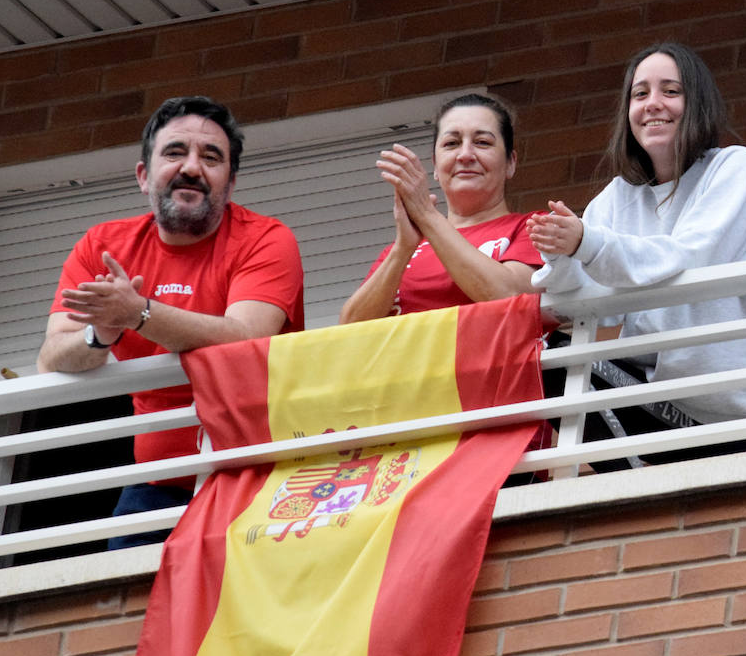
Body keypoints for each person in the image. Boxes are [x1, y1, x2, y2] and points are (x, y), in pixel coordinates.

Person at [528, 42, 746, 468]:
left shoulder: (735, 168)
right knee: (548, 357)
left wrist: (586, 244)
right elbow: (590, 305)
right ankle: (636, 488)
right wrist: (561, 256)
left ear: (696, 102)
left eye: (671, 91)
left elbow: (688, 258)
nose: (653, 105)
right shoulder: (615, 200)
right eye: (640, 94)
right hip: (667, 415)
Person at [38, 96, 304, 547]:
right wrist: (101, 333)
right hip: (156, 484)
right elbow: (52, 358)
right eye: (175, 152)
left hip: (257, 471)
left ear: (231, 182)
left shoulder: (266, 239)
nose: (192, 168)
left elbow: (245, 339)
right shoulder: (102, 245)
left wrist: (137, 314)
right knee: (124, 609)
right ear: (144, 176)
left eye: (211, 157)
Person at [340, 93, 542, 322]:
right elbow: (349, 326)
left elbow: (512, 298)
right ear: (435, 166)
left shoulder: (534, 226)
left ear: (510, 163)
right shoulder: (401, 249)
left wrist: (426, 215)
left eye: (482, 142)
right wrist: (402, 249)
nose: (465, 155)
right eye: (452, 144)